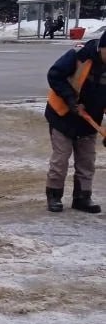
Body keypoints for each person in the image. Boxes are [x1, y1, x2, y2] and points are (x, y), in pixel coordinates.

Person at [44, 31, 106, 213]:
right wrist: (71, 99)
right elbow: (54, 75)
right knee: (61, 159)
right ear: (102, 48)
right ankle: (54, 196)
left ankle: (82, 198)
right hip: (62, 115)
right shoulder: (79, 56)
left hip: (89, 120)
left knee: (87, 161)